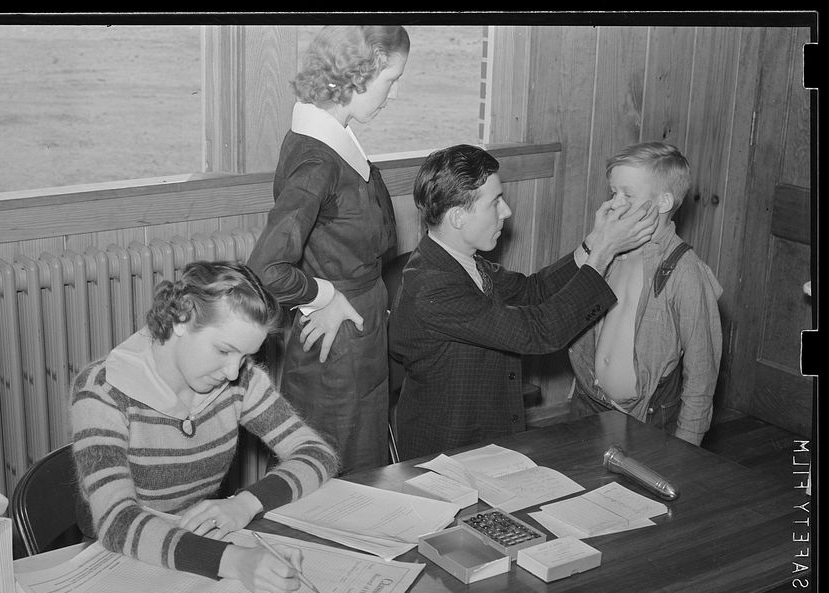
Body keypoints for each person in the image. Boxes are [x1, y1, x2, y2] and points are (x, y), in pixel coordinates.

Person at [70, 261, 339, 593]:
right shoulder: (103, 391)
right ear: (182, 317)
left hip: (198, 547)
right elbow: (116, 521)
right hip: (123, 564)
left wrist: (245, 504)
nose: (231, 372)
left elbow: (317, 454)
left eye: (243, 357)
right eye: (224, 350)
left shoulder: (241, 379)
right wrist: (236, 561)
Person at [388, 143, 660, 460]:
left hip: (482, 440)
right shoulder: (432, 286)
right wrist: (604, 255)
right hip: (448, 454)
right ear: (459, 217)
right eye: (495, 202)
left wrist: (594, 243)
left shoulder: (461, 261)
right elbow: (538, 332)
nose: (507, 211)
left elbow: (533, 290)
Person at [247, 25, 409, 475]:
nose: (392, 95)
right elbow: (266, 269)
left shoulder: (334, 137)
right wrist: (326, 296)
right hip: (337, 344)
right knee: (338, 476)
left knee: (363, 466)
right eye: (391, 80)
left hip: (359, 330)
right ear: (362, 72)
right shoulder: (317, 157)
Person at [568, 142, 723, 445]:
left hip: (645, 417)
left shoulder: (685, 271)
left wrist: (687, 444)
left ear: (663, 202)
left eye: (627, 194)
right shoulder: (611, 251)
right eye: (613, 193)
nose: (614, 203)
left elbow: (702, 370)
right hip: (590, 402)